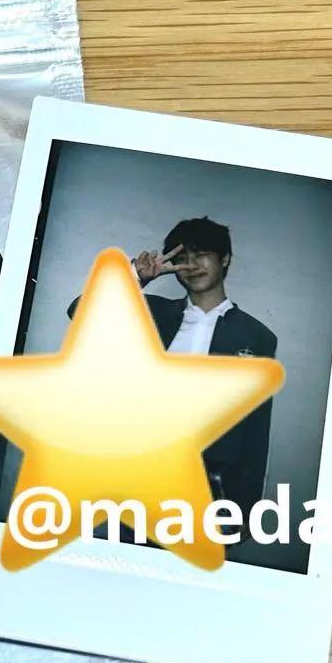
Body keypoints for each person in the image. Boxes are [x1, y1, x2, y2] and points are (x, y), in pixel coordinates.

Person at [68, 216, 276, 519]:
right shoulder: (154, 313)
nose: (191, 265)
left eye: (202, 254)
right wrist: (136, 277)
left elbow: (256, 430)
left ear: (225, 259)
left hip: (208, 490)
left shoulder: (256, 337)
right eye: (181, 258)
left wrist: (246, 507)